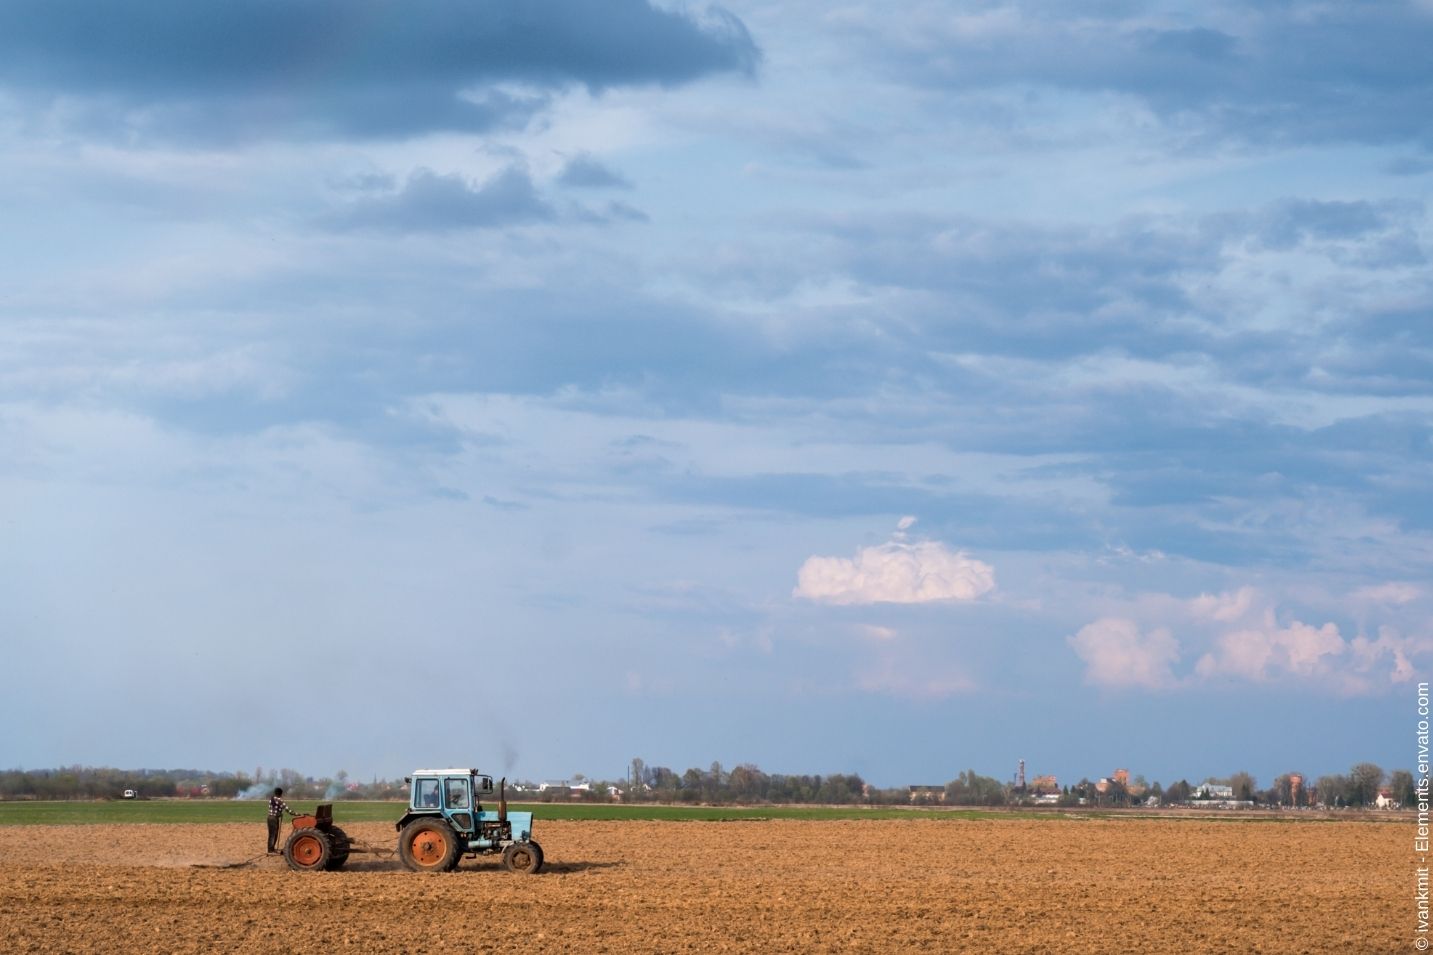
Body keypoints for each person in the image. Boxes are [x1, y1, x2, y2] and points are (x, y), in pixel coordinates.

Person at [266, 787, 298, 854]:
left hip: (270, 818)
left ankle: (271, 849)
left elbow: (275, 808)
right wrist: (295, 814)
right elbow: (287, 809)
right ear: (280, 794)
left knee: (272, 834)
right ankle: (271, 850)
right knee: (273, 834)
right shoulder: (279, 800)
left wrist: (279, 813)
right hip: (274, 818)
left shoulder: (271, 798)